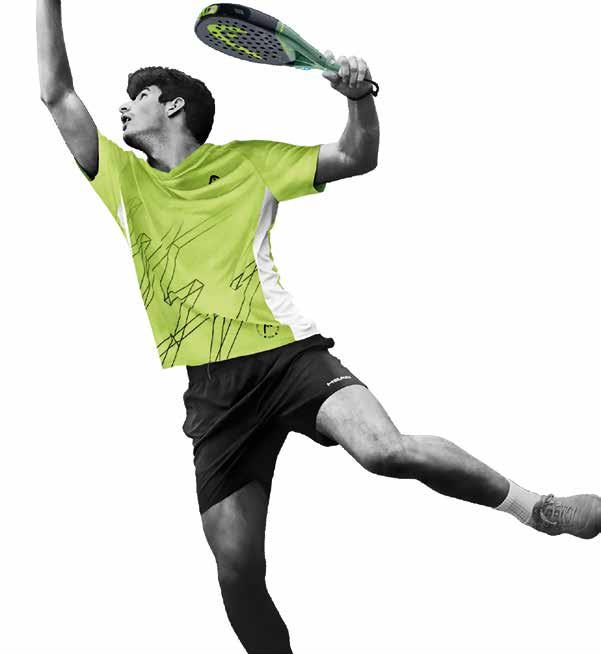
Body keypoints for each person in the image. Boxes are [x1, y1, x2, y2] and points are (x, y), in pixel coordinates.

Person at [37, 1, 600, 652]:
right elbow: (56, 93)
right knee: (236, 569)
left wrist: (359, 100)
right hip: (213, 392)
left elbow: (356, 155)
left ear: (173, 106)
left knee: (384, 450)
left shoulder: (248, 162)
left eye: (138, 96)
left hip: (286, 356)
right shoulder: (122, 179)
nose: (124, 106)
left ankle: (536, 509)